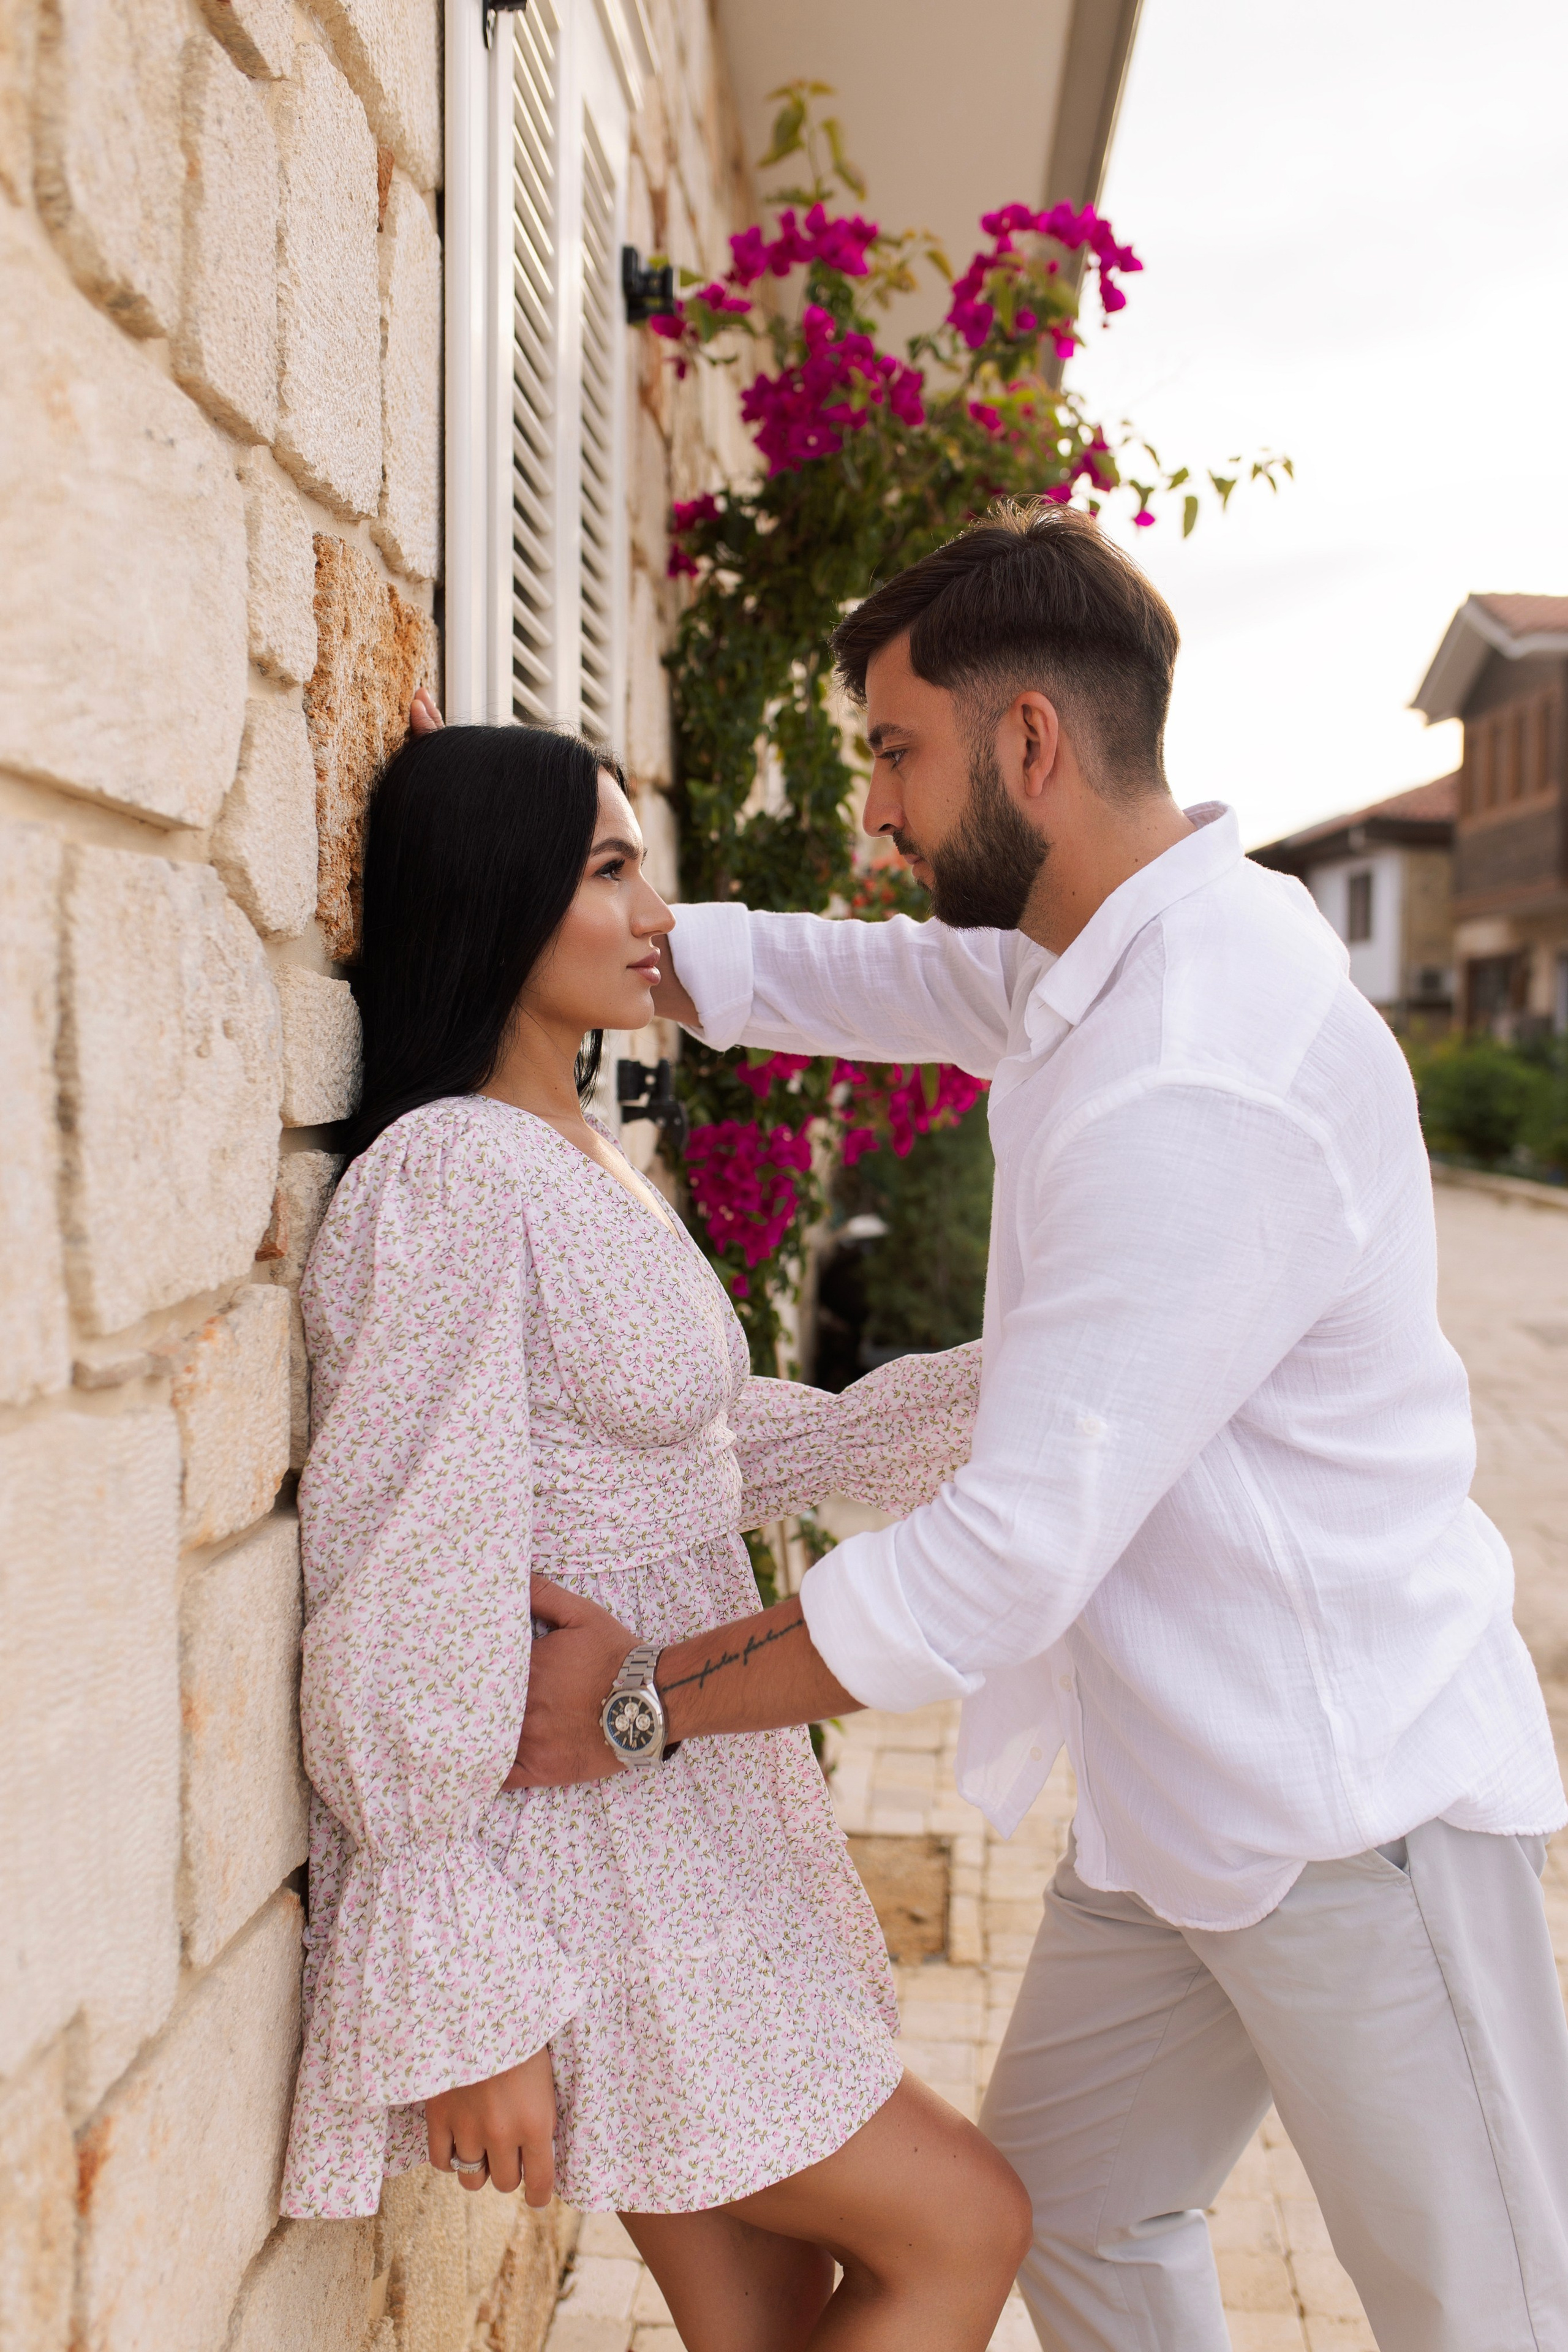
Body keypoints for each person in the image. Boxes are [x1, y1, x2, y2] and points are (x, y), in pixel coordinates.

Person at [509, 503, 1568, 2352]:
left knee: (1493, 2312)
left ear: (1029, 745)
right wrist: (645, 944)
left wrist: (638, 1702)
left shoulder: (1196, 1068)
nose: (881, 812)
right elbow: (931, 981)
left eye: (900, 755)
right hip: (1176, 1819)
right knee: (1076, 2222)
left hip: (1351, 1816)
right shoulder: (1129, 955)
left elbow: (997, 1563)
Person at [277, 716, 1032, 2352]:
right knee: (967, 2224)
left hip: (686, 1807)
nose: (652, 915)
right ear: (495, 893)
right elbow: (401, 1558)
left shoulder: (579, 1157)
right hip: (592, 1850)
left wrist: (1042, 1382)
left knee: (770, 2313)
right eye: (610, 869)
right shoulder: (457, 1173)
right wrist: (454, 1965)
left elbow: (690, 1455)